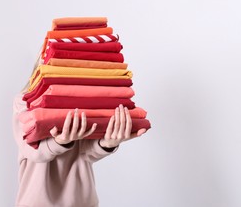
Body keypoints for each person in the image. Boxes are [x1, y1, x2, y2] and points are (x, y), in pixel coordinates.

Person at [12, 55, 147, 207]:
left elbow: (86, 153)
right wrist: (59, 142)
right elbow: (33, 151)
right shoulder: (24, 102)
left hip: (81, 202)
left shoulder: (86, 96)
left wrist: (107, 143)